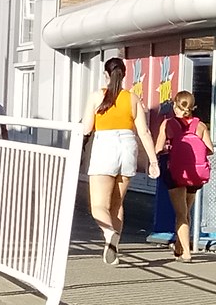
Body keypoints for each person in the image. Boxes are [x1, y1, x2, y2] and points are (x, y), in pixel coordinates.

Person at [81, 57, 160, 265]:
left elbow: (87, 128)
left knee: (98, 205)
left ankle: (108, 233)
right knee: (117, 203)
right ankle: (114, 251)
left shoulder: (97, 96)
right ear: (124, 75)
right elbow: (143, 132)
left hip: (105, 146)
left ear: (106, 75)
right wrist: (153, 160)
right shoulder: (133, 98)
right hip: (127, 147)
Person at [154, 90, 213, 263]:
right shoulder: (201, 126)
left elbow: (158, 148)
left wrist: (168, 150)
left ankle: (186, 253)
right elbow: (210, 149)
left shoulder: (167, 124)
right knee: (186, 211)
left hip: (175, 173)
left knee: (181, 213)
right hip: (195, 175)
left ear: (175, 105)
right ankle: (179, 247)